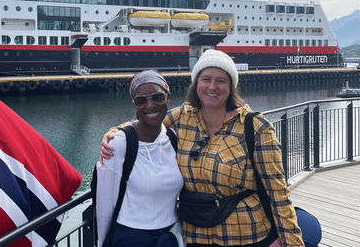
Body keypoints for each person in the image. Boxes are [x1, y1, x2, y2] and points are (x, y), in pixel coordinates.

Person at [101, 50, 304, 247]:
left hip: (245, 235)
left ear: (231, 86)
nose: (212, 87)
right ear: (196, 83)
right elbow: (148, 118)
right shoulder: (184, 117)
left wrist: (290, 241)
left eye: (221, 80)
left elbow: (278, 192)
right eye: (206, 79)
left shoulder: (255, 127)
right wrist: (114, 133)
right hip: (196, 236)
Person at [95, 70, 185, 247]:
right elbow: (105, 204)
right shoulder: (119, 143)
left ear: (168, 97)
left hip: (169, 236)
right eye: (141, 100)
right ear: (134, 104)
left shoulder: (173, 139)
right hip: (130, 238)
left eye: (157, 97)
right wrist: (104, 241)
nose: (150, 105)